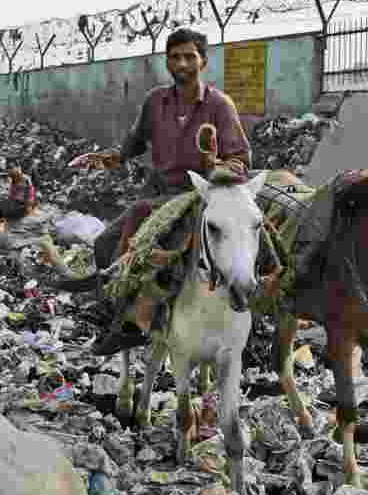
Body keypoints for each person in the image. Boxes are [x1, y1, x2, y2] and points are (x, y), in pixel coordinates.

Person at [88, 27, 253, 356]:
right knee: (103, 242)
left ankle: (129, 319)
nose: (182, 64)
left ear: (203, 62)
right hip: (159, 193)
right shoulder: (155, 101)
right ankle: (118, 302)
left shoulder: (219, 105)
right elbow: (137, 139)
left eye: (189, 57)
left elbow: (241, 159)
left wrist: (222, 165)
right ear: (167, 62)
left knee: (147, 232)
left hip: (198, 195)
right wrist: (115, 157)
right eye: (175, 57)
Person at [0, 167, 37, 246]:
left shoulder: (26, 182)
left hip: (21, 206)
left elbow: (28, 201)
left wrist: (24, 204)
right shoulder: (15, 181)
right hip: (14, 204)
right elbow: (11, 196)